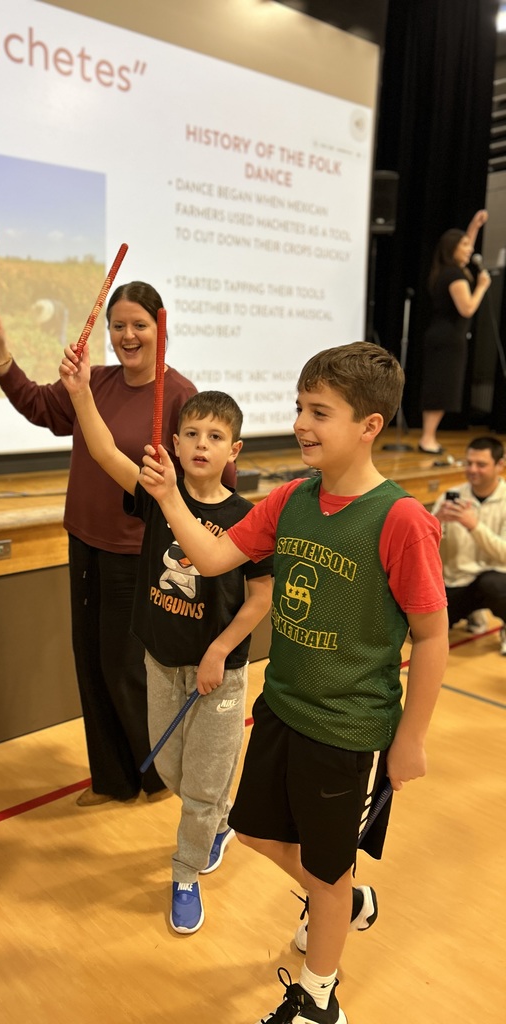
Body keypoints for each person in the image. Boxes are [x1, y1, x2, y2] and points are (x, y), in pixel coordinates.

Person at [138, 342, 448, 1024]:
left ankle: (317, 998)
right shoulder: (290, 501)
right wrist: (166, 498)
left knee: (328, 870)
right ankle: (344, 901)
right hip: (281, 707)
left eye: (321, 412)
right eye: (300, 407)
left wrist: (411, 739)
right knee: (251, 832)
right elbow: (216, 554)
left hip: (347, 729)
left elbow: (431, 636)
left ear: (369, 425)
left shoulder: (400, 521)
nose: (303, 423)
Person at [57, 349, 273, 933]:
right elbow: (103, 451)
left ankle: (185, 871)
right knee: (175, 775)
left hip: (218, 671)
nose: (202, 443)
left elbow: (261, 598)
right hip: (161, 662)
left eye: (216, 435)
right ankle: (216, 821)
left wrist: (219, 651)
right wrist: (80, 391)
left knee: (200, 785)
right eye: (192, 433)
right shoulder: (158, 498)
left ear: (234, 451)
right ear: (174, 444)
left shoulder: (248, 518)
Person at [0, 281, 207, 806]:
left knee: (125, 668)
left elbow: (214, 472)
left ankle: (156, 775)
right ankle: (113, 779)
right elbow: (39, 405)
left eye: (139, 325)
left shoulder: (180, 394)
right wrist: (1, 356)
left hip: (139, 552)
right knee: (91, 660)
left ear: (160, 327)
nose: (128, 335)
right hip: (84, 541)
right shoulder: (94, 382)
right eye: (118, 326)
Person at [418, 209, 491, 454]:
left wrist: (474, 225)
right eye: (464, 245)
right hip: (447, 339)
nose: (470, 249)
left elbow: (466, 245)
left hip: (445, 337)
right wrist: (481, 287)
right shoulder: (454, 274)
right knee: (440, 388)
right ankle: (427, 438)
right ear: (452, 249)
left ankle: (429, 436)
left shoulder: (448, 270)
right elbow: (467, 307)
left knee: (442, 388)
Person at [431, 435, 506, 655]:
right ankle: (472, 612)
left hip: (495, 579)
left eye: (481, 464)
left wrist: (474, 526)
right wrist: (437, 521)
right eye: (469, 463)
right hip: (456, 582)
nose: (472, 469)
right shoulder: (449, 496)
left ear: (499, 465)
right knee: (419, 633)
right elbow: (425, 547)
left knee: (495, 584)